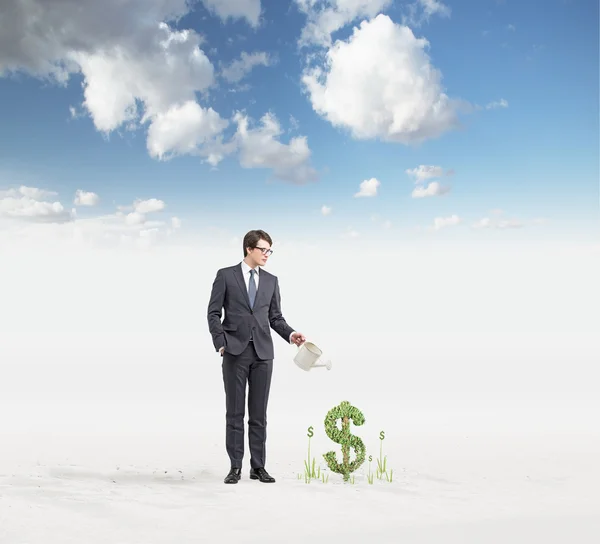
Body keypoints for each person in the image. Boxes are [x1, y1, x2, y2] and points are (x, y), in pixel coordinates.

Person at [207, 229, 305, 484]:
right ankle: (235, 467)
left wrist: (291, 334)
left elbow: (275, 317)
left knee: (259, 414)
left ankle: (258, 467)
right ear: (249, 248)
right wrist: (221, 343)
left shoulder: (272, 280)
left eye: (269, 250)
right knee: (235, 412)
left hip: (263, 353)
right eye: (263, 249)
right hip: (234, 352)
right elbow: (213, 313)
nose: (267, 255)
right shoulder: (225, 275)